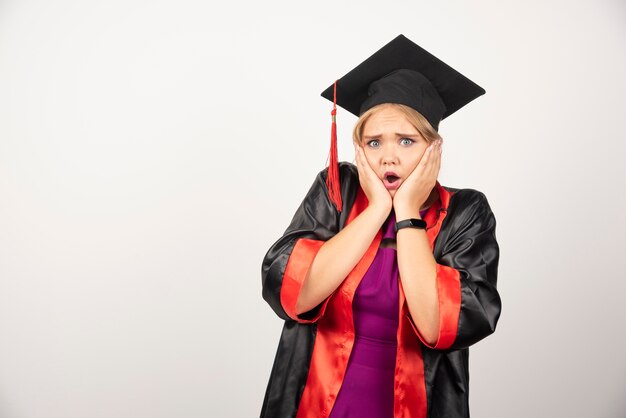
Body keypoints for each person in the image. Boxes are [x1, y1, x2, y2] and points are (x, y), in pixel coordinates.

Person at [261, 34, 501, 418]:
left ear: (433, 148)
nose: (388, 156)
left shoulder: (463, 212)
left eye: (406, 141)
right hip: (315, 404)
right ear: (359, 149)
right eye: (374, 143)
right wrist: (376, 210)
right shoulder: (336, 191)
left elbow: (439, 325)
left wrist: (405, 210)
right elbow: (295, 296)